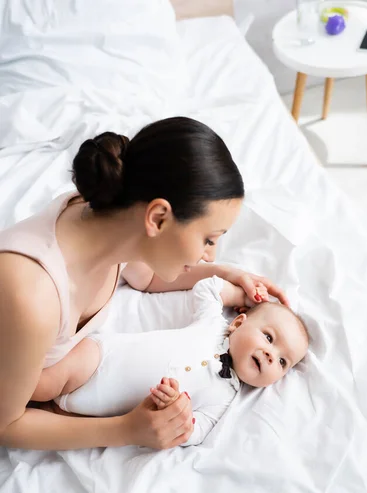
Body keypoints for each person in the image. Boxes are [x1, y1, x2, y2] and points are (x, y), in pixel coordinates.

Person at [0, 116, 288, 451]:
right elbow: (7, 423)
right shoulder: (32, 296)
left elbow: (148, 277)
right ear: (158, 218)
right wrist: (127, 430)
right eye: (209, 239)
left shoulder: (113, 221)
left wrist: (227, 274)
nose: (210, 256)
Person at [33, 277, 308, 447]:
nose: (272, 355)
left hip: (94, 412)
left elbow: (197, 431)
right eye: (269, 338)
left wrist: (178, 410)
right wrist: (241, 295)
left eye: (283, 361)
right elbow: (208, 288)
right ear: (238, 322)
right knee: (40, 385)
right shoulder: (214, 326)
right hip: (99, 359)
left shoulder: (224, 397)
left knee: (45, 421)